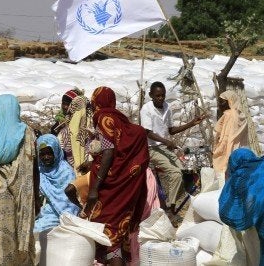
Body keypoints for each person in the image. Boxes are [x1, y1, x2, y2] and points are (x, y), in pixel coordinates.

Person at [85, 86, 149, 265]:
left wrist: (95, 188)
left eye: (92, 104)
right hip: (125, 184)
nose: (92, 108)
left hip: (110, 185)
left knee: (108, 232)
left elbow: (109, 152)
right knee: (115, 234)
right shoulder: (120, 119)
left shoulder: (104, 119)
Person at [0, 94, 37, 265]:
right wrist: (36, 201)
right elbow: (35, 169)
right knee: (19, 237)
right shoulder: (28, 133)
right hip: (23, 195)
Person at [139, 81, 205, 214]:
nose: (161, 98)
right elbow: (147, 132)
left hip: (164, 148)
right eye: (157, 96)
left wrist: (192, 123)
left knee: (183, 171)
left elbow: (171, 130)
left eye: (162, 95)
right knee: (175, 173)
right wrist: (166, 142)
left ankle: (172, 201)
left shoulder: (167, 107)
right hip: (152, 149)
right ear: (151, 95)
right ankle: (170, 207)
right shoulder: (146, 109)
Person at [34, 134, 79, 233]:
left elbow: (69, 203)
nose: (46, 157)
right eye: (42, 154)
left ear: (56, 152)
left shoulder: (66, 171)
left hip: (59, 213)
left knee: (36, 229)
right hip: (40, 210)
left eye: (50, 153)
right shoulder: (39, 171)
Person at [212, 90, 248, 174]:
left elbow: (226, 137)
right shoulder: (240, 115)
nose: (220, 105)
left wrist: (217, 150)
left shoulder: (229, 116)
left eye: (222, 102)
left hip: (228, 151)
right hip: (239, 152)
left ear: (230, 102)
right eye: (219, 102)